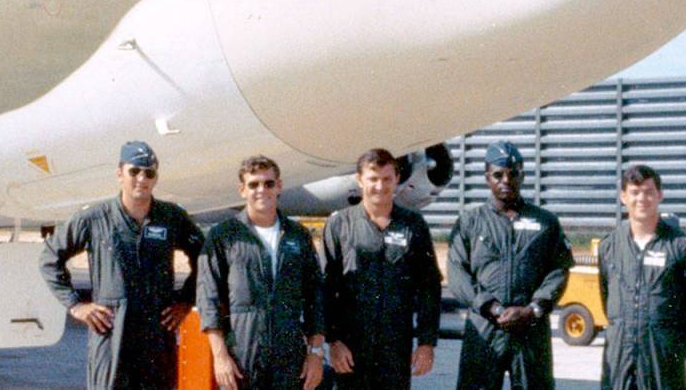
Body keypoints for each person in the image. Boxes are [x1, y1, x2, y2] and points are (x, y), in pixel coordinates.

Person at [39, 141, 205, 390]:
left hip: (157, 333)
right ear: (119, 174)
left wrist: (185, 301)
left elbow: (206, 258)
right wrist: (75, 305)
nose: (141, 178)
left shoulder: (171, 217)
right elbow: (50, 258)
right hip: (111, 331)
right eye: (134, 171)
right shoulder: (95, 218)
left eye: (149, 173)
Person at [447, 140, 574, 389]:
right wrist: (490, 307)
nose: (506, 180)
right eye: (498, 174)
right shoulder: (470, 222)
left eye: (513, 173)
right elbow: (457, 272)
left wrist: (533, 309)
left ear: (522, 176)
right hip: (485, 329)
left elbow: (559, 270)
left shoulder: (545, 222)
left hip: (530, 330)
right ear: (487, 178)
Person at [197, 155, 325, 390]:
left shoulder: (297, 235)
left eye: (268, 183)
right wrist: (220, 356)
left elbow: (315, 296)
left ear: (279, 186)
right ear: (242, 190)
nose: (261, 190)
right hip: (241, 358)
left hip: (289, 357)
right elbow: (208, 298)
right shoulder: (224, 236)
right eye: (253, 184)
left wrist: (316, 353)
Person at [322, 148, 442, 389]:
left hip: (395, 348)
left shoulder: (413, 225)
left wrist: (427, 343)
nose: (380, 186)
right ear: (359, 180)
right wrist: (333, 342)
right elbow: (325, 288)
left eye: (386, 179)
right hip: (351, 349)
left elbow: (429, 287)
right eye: (373, 179)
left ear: (397, 178)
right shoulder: (339, 224)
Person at [598, 164, 686, 390]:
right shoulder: (609, 245)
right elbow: (606, 293)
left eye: (649, 192)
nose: (642, 199)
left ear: (659, 195)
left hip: (663, 356)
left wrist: (678, 345)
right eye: (635, 192)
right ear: (623, 197)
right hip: (620, 353)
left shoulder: (681, 247)